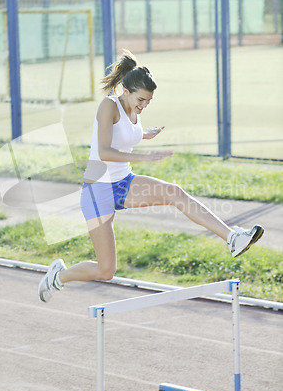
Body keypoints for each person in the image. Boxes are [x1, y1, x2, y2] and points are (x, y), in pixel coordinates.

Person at [38, 50, 264, 303]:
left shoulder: (134, 112)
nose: (144, 105)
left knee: (174, 193)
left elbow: (123, 133)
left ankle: (232, 238)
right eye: (141, 99)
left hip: (123, 182)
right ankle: (60, 276)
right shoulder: (108, 106)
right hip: (97, 189)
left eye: (148, 102)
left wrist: (143, 134)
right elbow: (103, 150)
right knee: (106, 271)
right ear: (126, 91)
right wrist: (144, 157)